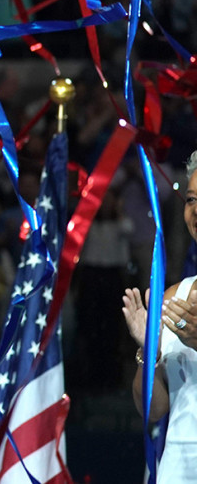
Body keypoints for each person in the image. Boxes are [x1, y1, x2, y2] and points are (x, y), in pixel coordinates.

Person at [122, 150, 197, 480]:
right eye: (191, 199)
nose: (196, 210)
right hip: (178, 466)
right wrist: (147, 353)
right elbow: (154, 411)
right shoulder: (174, 298)